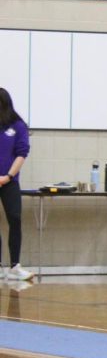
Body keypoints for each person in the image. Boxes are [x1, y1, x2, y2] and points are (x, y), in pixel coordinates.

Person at [0, 88, 31, 282]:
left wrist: (8, 176)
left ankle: (15, 266)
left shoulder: (18, 126)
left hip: (9, 181)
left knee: (15, 219)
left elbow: (22, 153)